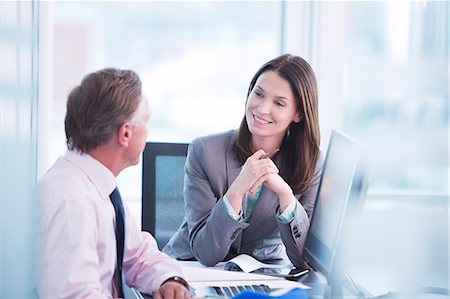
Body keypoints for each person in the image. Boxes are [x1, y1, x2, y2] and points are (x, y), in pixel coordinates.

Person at [38, 68, 191, 299]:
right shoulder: (72, 201)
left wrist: (171, 280)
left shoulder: (97, 187)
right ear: (126, 134)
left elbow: (138, 254)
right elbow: (76, 295)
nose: (148, 133)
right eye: (146, 122)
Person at [163, 54, 323, 268]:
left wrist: (285, 195)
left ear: (299, 114)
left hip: (259, 273)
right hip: (191, 268)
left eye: (279, 103)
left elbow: (304, 260)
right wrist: (236, 190)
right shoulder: (204, 151)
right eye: (258, 94)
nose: (262, 108)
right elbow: (206, 253)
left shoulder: (311, 163)